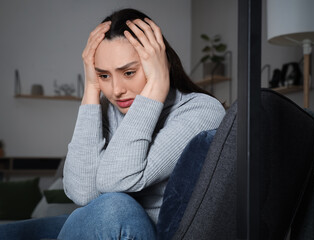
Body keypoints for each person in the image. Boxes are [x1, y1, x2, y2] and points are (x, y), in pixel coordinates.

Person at [0, 8, 225, 240]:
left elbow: (115, 182)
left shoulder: (201, 110)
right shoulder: (110, 109)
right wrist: (90, 90)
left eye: (128, 72)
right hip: (108, 223)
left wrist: (157, 86)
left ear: (160, 63)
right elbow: (82, 193)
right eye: (104, 76)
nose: (116, 90)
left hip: (143, 229)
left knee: (115, 206)